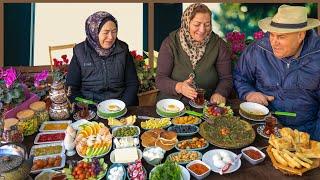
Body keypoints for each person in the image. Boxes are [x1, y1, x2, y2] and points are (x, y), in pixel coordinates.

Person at [234, 5, 320, 140]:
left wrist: (314, 143)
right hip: (262, 126)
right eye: (272, 34)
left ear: (300, 35)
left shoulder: (317, 57)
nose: (274, 42)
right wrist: (249, 93)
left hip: (305, 133)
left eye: (281, 36)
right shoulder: (257, 50)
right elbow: (241, 77)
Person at [156, 3, 233, 105]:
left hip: (207, 105)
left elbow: (226, 79)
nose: (202, 30)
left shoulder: (219, 45)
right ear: (187, 22)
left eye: (207, 24)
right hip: (172, 106)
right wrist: (179, 87)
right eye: (197, 24)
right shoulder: (170, 43)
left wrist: (220, 93)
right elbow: (160, 79)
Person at [66, 11, 139, 106]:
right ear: (94, 32)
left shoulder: (123, 49)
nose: (111, 37)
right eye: (106, 32)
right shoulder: (80, 52)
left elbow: (132, 83)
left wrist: (122, 105)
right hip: (91, 108)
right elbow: (72, 89)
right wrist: (89, 108)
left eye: (114, 31)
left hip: (119, 104)